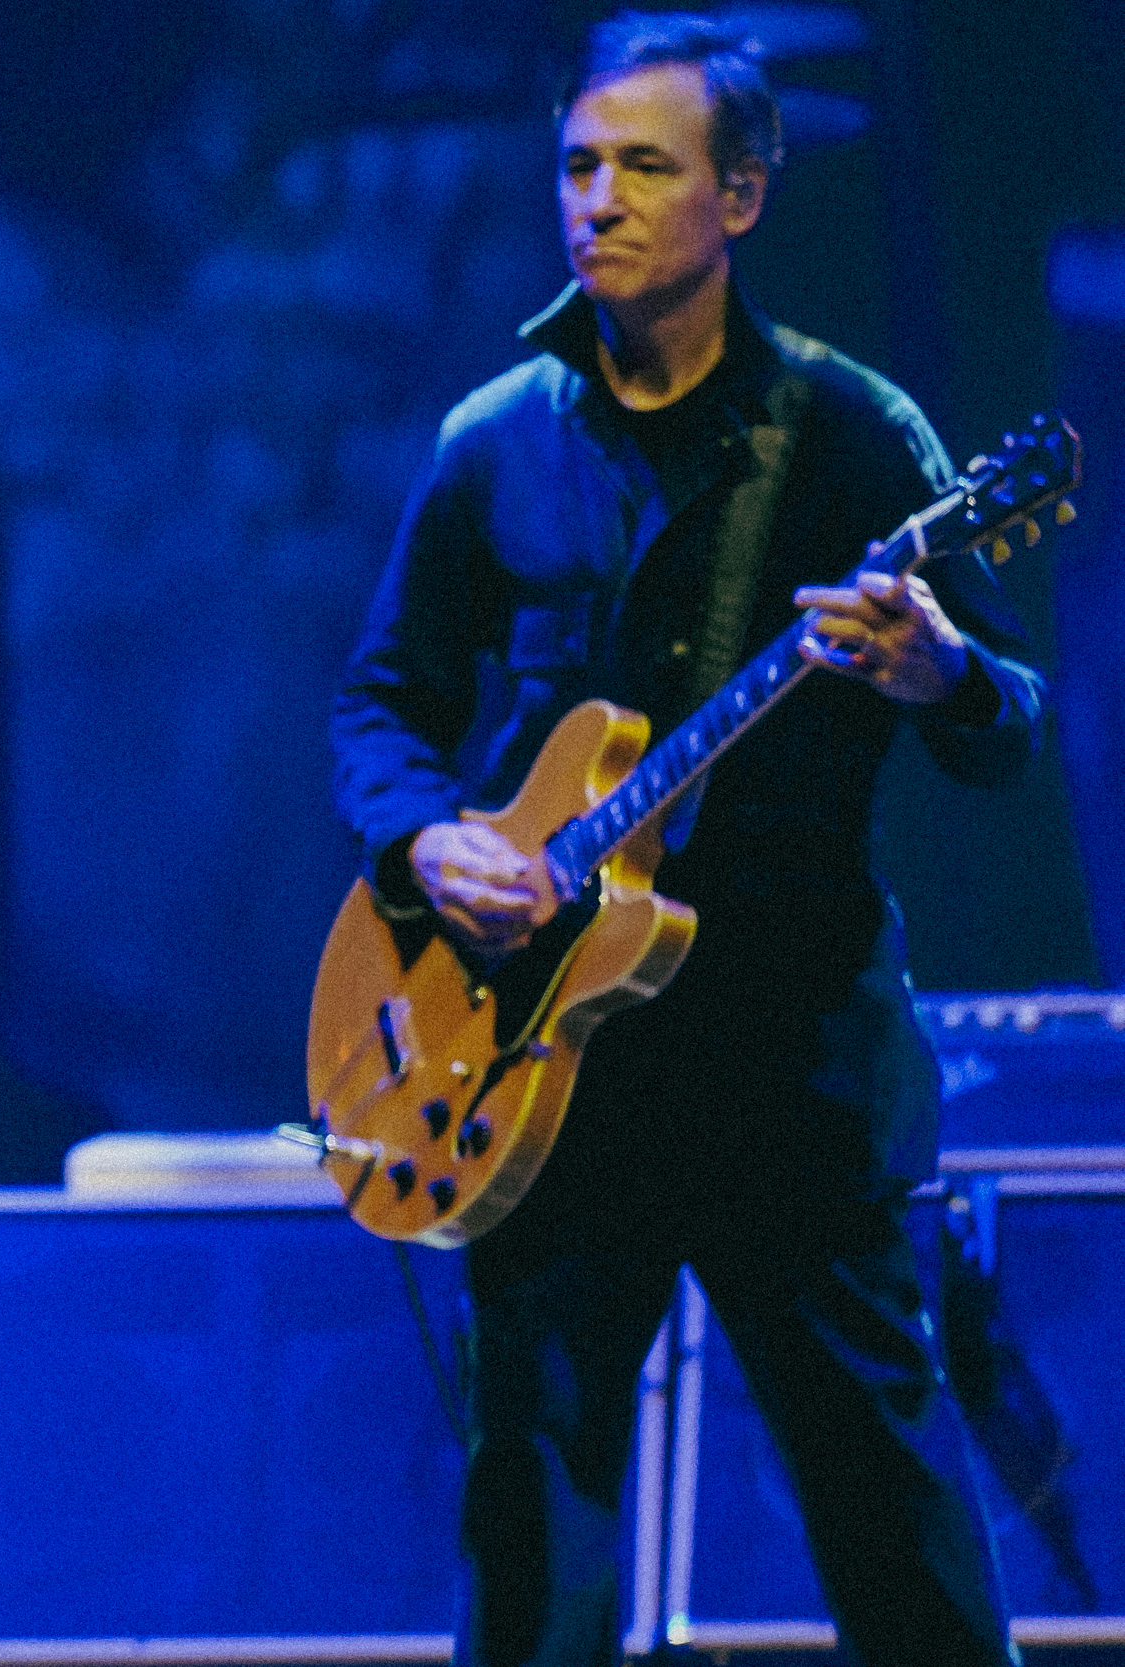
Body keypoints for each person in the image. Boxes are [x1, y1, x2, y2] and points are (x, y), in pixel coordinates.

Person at [330, 16, 1036, 1666]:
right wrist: (428, 843)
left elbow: (1011, 727)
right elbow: (381, 704)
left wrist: (940, 669)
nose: (599, 203)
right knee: (535, 1532)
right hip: (541, 1074)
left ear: (743, 197)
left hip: (788, 1072)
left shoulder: (858, 434)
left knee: (887, 1510)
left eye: (645, 169)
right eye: (579, 167)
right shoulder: (491, 438)